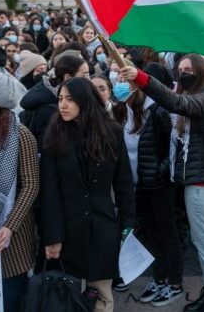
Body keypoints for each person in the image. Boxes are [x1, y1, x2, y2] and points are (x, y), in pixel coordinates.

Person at [119, 54, 204, 312]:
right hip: (198, 180)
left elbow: (174, 102)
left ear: (201, 71)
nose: (183, 74)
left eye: (188, 70)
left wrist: (142, 78)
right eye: (179, 70)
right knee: (203, 242)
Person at [40, 77, 136, 312]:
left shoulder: (111, 132)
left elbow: (123, 184)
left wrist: (128, 226)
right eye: (61, 99)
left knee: (103, 296)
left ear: (85, 101)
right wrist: (52, 236)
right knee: (67, 295)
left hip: (103, 225)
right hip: (67, 227)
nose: (63, 105)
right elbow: (49, 191)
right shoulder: (54, 134)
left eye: (70, 100)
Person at [112, 63, 183, 305]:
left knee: (168, 233)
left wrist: (159, 174)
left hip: (159, 185)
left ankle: (174, 282)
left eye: (128, 83)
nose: (122, 87)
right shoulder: (122, 111)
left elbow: (172, 149)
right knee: (151, 235)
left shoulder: (158, 111)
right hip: (137, 186)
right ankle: (159, 277)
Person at [0, 70, 38, 312]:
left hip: (13, 236)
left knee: (9, 300)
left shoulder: (22, 136)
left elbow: (31, 184)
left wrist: (9, 226)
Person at [20, 55, 89, 151]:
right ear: (67, 77)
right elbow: (47, 150)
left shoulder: (52, 97)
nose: (88, 79)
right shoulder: (48, 110)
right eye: (84, 75)